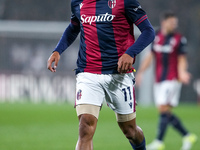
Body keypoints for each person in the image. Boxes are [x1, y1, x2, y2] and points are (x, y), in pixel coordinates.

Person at [47, 0, 155, 149]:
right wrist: (58, 50)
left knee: (130, 131)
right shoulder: (78, 2)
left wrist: (130, 53)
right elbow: (74, 27)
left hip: (118, 74)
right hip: (88, 72)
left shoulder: (125, 2)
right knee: (85, 127)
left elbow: (148, 31)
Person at [136, 11, 197, 150]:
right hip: (159, 79)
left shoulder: (179, 39)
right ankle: (187, 136)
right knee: (164, 111)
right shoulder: (156, 37)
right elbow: (149, 57)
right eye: (171, 22)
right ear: (164, 22)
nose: (174, 25)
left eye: (175, 23)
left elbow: (182, 59)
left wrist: (182, 72)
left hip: (172, 79)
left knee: (163, 108)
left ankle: (159, 142)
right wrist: (140, 73)